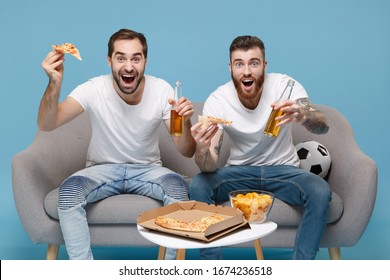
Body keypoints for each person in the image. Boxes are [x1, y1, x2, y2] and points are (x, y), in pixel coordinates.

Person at [38, 28, 196, 260]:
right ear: (109, 60)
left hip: (149, 170)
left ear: (145, 61)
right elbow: (47, 123)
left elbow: (187, 150)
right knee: (69, 193)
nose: (129, 66)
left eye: (136, 58)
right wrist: (54, 83)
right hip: (100, 170)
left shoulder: (162, 90)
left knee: (178, 188)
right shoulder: (94, 89)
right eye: (121, 58)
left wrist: (184, 122)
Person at [189, 35, 331, 260]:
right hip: (239, 172)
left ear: (264, 65)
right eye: (239, 64)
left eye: (254, 63)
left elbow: (322, 126)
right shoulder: (218, 100)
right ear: (230, 68)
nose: (247, 71)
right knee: (198, 185)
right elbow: (208, 166)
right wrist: (202, 148)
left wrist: (302, 114)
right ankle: (211, 267)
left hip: (284, 171)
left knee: (320, 190)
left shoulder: (286, 86)